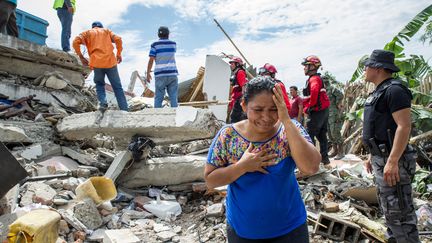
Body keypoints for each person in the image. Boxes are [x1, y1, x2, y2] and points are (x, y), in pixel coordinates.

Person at [205, 76, 321, 242]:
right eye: (258, 110)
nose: (266, 117)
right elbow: (210, 181)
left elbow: (310, 168)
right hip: (243, 232)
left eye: (273, 109)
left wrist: (286, 120)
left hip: (291, 229)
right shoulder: (228, 136)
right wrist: (242, 166)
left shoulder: (289, 130)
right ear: (244, 106)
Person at [362, 49, 419, 243]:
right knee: (389, 210)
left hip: (393, 160)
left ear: (377, 68)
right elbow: (381, 126)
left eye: (367, 65)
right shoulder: (378, 92)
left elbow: (404, 126)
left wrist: (393, 160)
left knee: (400, 212)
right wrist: (372, 155)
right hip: (381, 159)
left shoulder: (394, 90)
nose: (365, 69)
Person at [72, 21, 128, 111]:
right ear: (101, 27)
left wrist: (81, 56)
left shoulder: (87, 33)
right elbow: (118, 39)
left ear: (93, 27)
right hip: (110, 62)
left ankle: (103, 103)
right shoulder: (106, 31)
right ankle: (124, 109)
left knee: (99, 84)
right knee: (117, 87)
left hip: (96, 62)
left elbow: (75, 41)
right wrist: (119, 53)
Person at [301, 55, 331, 166]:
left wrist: (309, 107)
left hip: (316, 111)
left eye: (306, 66)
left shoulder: (314, 79)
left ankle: (311, 161)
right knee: (322, 136)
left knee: (309, 135)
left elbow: (314, 92)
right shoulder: (317, 78)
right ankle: (325, 160)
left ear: (313, 66)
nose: (304, 68)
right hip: (323, 111)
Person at [146, 26, 178, 108]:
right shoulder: (173, 44)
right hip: (172, 73)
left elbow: (151, 60)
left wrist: (148, 73)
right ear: (168, 34)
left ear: (158, 35)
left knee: (159, 97)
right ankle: (175, 115)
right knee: (173, 96)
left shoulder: (154, 45)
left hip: (160, 75)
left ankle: (157, 115)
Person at [323, 74, 345, 160]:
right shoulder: (323, 90)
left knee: (335, 132)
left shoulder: (332, 88)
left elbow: (341, 95)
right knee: (329, 133)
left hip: (334, 114)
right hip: (327, 114)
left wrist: (337, 103)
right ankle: (334, 150)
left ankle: (341, 152)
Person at [228, 56, 248, 123]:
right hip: (236, 101)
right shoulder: (237, 73)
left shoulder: (240, 72)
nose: (230, 65)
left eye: (232, 64)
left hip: (239, 101)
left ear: (237, 64)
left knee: (235, 120)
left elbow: (244, 87)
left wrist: (242, 101)